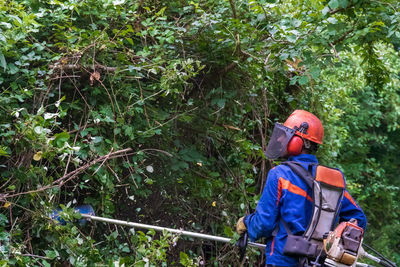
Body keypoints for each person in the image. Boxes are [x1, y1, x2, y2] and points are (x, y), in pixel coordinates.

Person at [236, 110, 367, 267]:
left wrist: (246, 222)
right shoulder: (331, 181)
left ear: (301, 142)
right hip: (317, 262)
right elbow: (359, 219)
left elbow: (263, 225)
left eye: (285, 135)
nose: (279, 138)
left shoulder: (280, 175)